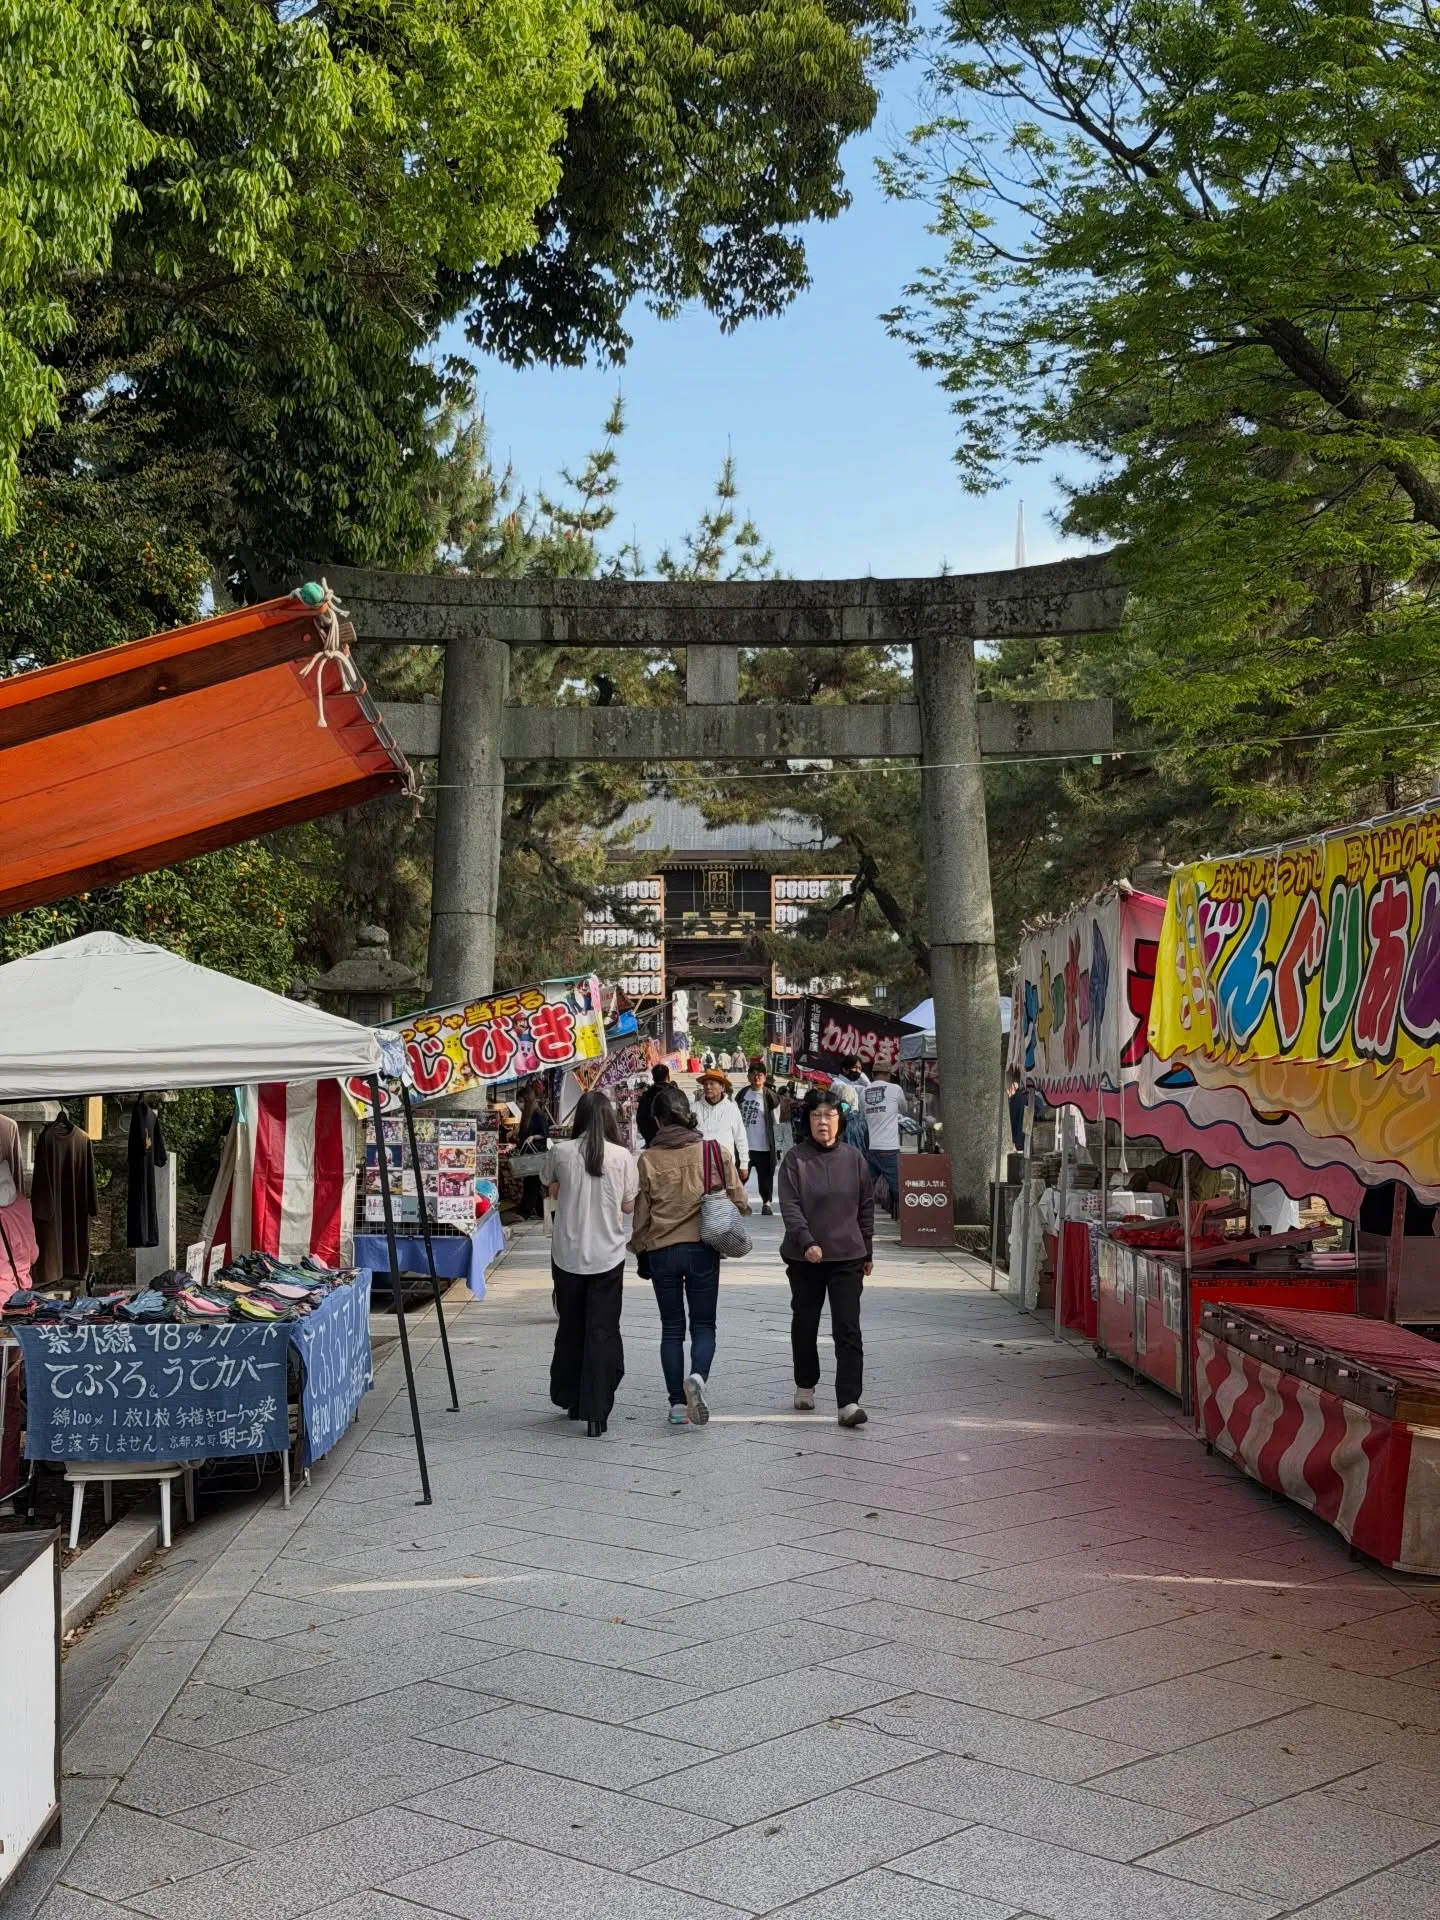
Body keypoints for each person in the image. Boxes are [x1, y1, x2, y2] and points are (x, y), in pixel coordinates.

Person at [631, 1083, 749, 1425]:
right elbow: (739, 1202)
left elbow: (641, 1218)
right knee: (703, 1325)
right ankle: (697, 1378)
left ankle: (676, 1405)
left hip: (662, 1253)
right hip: (702, 1250)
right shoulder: (713, 1151)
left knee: (671, 1328)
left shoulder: (648, 1160)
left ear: (656, 1121)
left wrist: (640, 1249)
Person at [779, 1087, 873, 1428]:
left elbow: (865, 1206)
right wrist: (806, 1241)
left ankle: (848, 1401)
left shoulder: (854, 1158)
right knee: (805, 1323)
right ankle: (805, 1382)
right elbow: (789, 1206)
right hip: (805, 1259)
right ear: (808, 1121)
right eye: (817, 1116)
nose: (823, 1122)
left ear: (840, 1121)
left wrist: (868, 1249)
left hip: (848, 1255)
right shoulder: (795, 1159)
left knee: (847, 1328)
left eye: (830, 1116)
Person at [547, 1092, 638, 1436]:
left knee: (570, 1325)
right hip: (608, 1255)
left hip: (567, 1253)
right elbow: (629, 1207)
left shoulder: (561, 1151)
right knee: (602, 1330)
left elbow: (549, 1187)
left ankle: (569, 1395)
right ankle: (597, 1409)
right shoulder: (622, 1156)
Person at [860, 1064, 907, 1220]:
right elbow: (904, 1109)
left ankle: (858, 1219)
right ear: (888, 1074)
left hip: (870, 1148)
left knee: (865, 1188)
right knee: (899, 1189)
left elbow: (862, 1114)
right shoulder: (895, 1089)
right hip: (889, 1148)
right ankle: (905, 1223)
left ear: (873, 1075)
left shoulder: (863, 1092)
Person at [737, 1059, 781, 1214]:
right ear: (748, 1076)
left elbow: (777, 1122)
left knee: (765, 1177)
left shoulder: (771, 1097)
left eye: (760, 1075)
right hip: (744, 1145)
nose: (756, 1078)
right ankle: (739, 1203)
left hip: (763, 1145)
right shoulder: (742, 1094)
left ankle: (767, 1203)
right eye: (753, 1075)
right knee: (739, 1176)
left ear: (765, 1076)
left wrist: (778, 1145)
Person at [694, 1069, 749, 1181]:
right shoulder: (693, 1108)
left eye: (712, 1083)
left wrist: (744, 1164)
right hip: (699, 1166)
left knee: (725, 1197)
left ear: (722, 1087)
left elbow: (740, 1137)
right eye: (705, 1084)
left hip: (725, 1165)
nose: (708, 1087)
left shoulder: (732, 1108)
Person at [515, 1080, 554, 1219]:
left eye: (520, 1100)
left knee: (532, 1183)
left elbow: (545, 1134)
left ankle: (524, 1211)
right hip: (529, 1155)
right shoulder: (527, 1115)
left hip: (536, 1154)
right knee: (534, 1183)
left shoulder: (538, 1114)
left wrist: (532, 1137)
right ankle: (541, 1211)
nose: (519, 1104)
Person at [636, 1063, 670, 1148]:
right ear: (667, 1076)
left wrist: (648, 1139)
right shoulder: (673, 1093)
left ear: (653, 1077)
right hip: (671, 1142)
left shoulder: (645, 1096)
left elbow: (640, 1119)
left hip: (651, 1142)